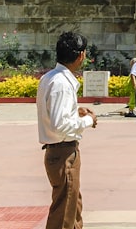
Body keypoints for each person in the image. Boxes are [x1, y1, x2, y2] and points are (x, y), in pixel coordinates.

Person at [36, 31, 97, 229]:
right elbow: (60, 125)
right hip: (63, 152)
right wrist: (88, 120)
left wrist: (74, 111)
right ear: (81, 55)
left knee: (73, 207)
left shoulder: (51, 78)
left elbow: (53, 113)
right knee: (64, 214)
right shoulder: (61, 83)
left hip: (60, 151)